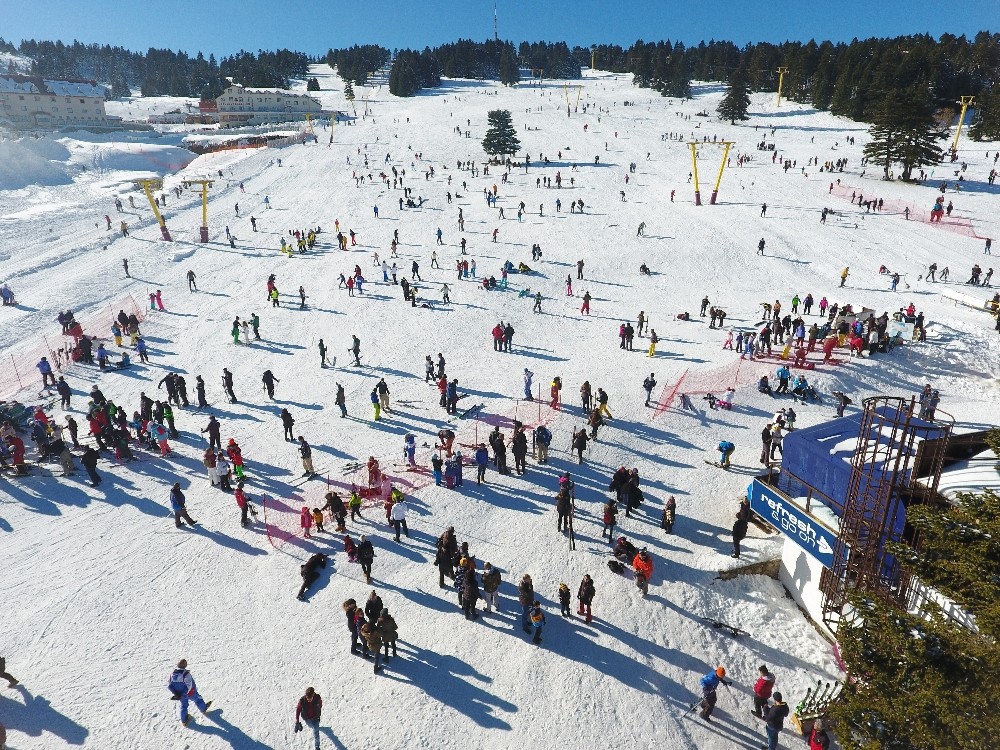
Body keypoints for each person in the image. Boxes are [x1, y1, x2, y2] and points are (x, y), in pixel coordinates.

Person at [168, 659, 212, 727]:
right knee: (198, 699)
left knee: (184, 705)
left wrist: (176, 693)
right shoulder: (186, 674)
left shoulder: (172, 674)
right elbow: (189, 686)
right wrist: (184, 694)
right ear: (185, 665)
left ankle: (184, 720)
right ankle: (203, 709)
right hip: (190, 693)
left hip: (180, 694)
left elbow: (170, 686)